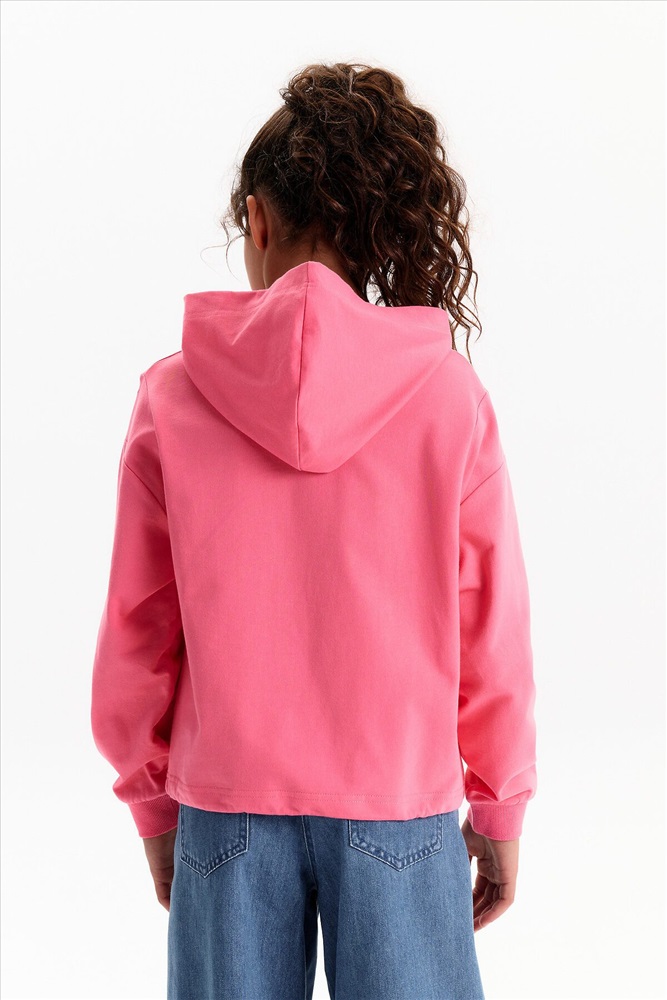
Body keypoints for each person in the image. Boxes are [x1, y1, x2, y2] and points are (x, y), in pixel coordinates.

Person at [90, 61, 537, 1000]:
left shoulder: (172, 397)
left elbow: (137, 628)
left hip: (225, 804)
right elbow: (490, 625)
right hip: (399, 802)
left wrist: (150, 801)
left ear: (257, 221)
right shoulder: (446, 396)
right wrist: (499, 805)